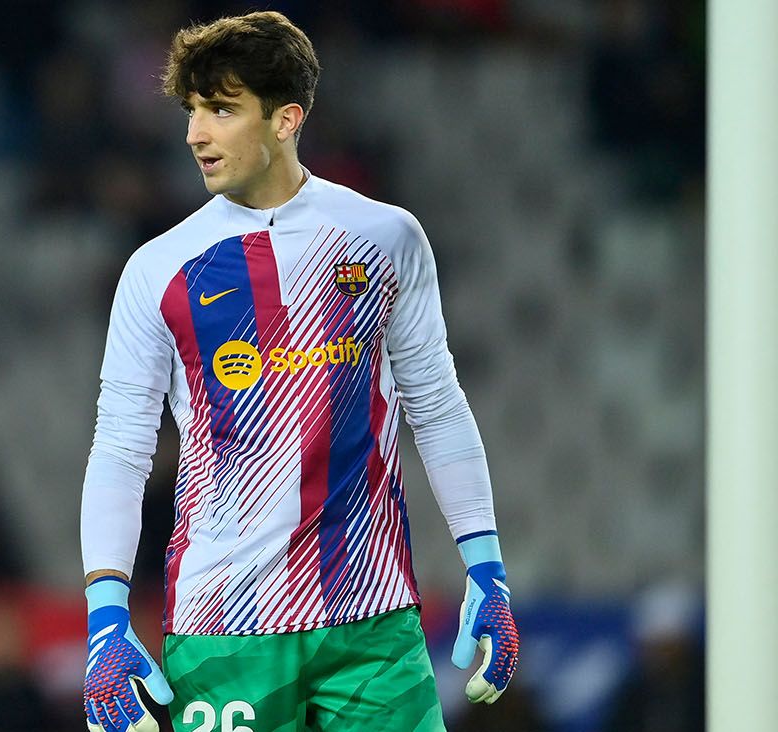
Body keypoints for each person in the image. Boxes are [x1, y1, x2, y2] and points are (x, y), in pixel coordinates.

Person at [79, 11, 518, 732]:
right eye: (192, 110)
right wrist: (105, 612)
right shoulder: (157, 270)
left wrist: (487, 565)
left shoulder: (385, 238)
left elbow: (436, 405)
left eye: (221, 109)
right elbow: (122, 448)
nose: (196, 133)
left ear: (287, 118)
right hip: (226, 627)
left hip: (374, 626)